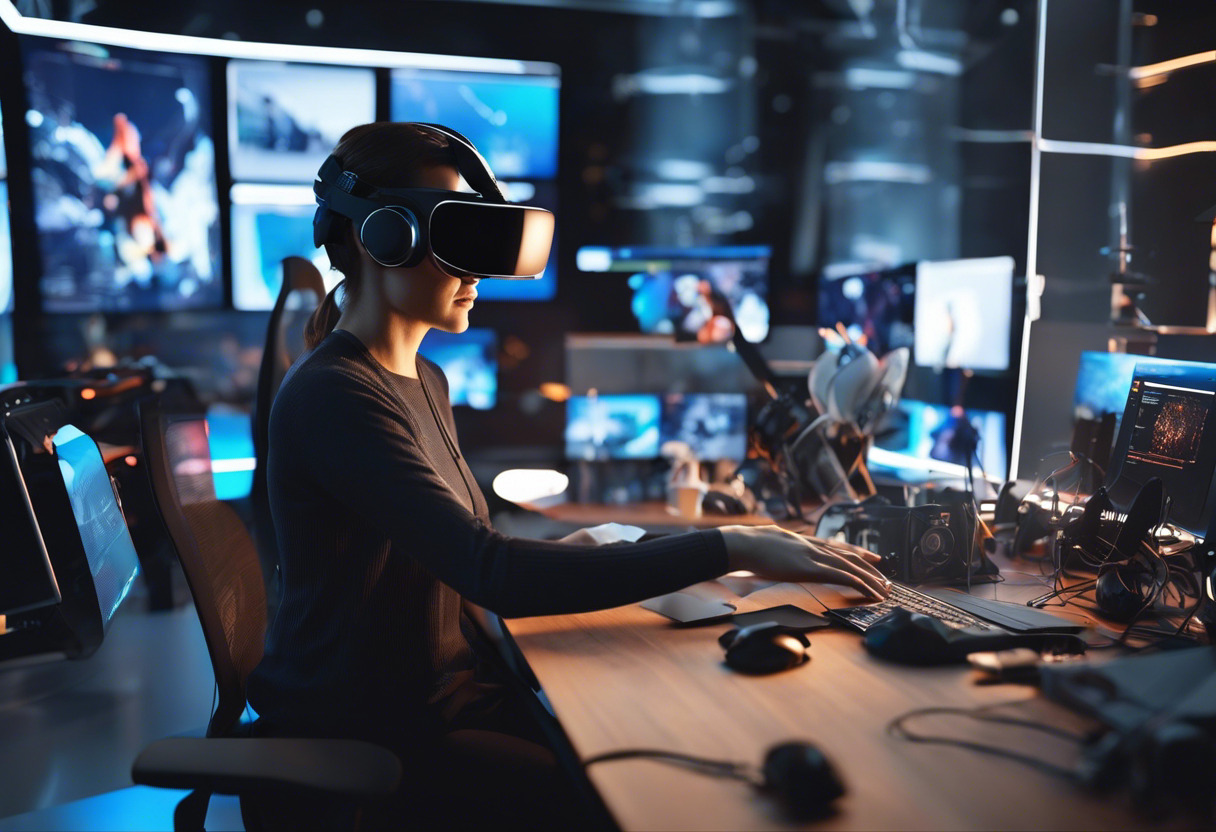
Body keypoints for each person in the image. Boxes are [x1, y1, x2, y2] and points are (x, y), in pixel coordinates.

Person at [246, 121, 889, 829]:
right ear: (385, 238)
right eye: (455, 236)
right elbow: (490, 573)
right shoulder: (335, 395)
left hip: (443, 697)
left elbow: (460, 557)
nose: (478, 271)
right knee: (630, 795)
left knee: (659, 732)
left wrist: (584, 552)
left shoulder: (422, 377)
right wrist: (731, 544)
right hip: (376, 734)